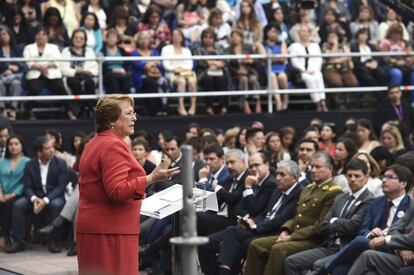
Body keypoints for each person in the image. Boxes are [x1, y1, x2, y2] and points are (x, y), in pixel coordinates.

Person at [76, 95, 179, 275]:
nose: (135, 118)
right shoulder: (113, 145)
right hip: (111, 232)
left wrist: (136, 192)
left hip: (97, 229)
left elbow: (102, 187)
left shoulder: (94, 142)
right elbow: (117, 190)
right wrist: (152, 178)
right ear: (111, 120)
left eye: (134, 112)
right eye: (129, 113)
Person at [244, 151, 343, 275]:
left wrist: (292, 237)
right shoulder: (308, 188)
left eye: (318, 167)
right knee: (256, 244)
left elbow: (320, 226)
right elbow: (296, 216)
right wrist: (285, 230)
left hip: (312, 240)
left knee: (278, 249)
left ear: (330, 169)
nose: (313, 170)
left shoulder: (333, 192)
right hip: (293, 234)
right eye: (312, 167)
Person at [198, 160, 304, 275]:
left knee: (228, 235)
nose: (277, 178)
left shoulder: (266, 184)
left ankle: (224, 272)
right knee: (206, 242)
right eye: (277, 174)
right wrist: (249, 220)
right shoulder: (230, 179)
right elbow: (247, 210)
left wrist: (254, 225)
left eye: (282, 175)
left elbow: (279, 218)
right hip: (242, 221)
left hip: (258, 227)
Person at [312, 164, 412, 275]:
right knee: (338, 270)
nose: (384, 180)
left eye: (390, 177)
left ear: (403, 183)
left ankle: (323, 269)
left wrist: (390, 241)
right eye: (384, 176)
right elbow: (363, 229)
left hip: (392, 252)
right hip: (372, 246)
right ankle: (326, 268)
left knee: (360, 243)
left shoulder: (410, 206)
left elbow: (408, 236)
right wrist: (370, 233)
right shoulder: (376, 202)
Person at [284, 159, 375, 275]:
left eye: (357, 176)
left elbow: (352, 226)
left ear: (366, 177)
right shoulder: (340, 198)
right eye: (349, 175)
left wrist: (334, 221)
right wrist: (336, 222)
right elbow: (324, 225)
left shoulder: (369, 200)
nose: (352, 179)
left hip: (346, 249)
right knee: (291, 262)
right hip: (329, 245)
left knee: (318, 266)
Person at [5, 136, 68, 253]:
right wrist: (34, 199)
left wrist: (45, 200)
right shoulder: (30, 164)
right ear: (39, 152)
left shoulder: (60, 163)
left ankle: (53, 241)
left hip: (53, 197)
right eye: (47, 148)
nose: (52, 150)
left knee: (56, 204)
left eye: (52, 147)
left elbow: (61, 187)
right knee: (18, 205)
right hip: (35, 197)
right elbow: (27, 187)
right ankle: (19, 242)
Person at [23, 27, 74, 120]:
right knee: (34, 89)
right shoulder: (28, 48)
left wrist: (45, 66)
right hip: (35, 74)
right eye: (38, 34)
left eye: (43, 35)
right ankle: (28, 111)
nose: (41, 36)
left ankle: (70, 111)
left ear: (47, 37)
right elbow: (28, 62)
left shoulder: (54, 47)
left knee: (60, 88)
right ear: (35, 36)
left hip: (52, 74)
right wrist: (41, 68)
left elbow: (58, 61)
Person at [0, 136, 30, 251]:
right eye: (10, 144)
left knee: (9, 205)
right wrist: (1, 193)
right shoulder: (2, 162)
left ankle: (4, 236)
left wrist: (13, 194)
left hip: (19, 194)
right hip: (2, 193)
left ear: (22, 146)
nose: (13, 146)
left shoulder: (28, 162)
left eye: (16, 144)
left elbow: (25, 182)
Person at [61, 29, 99, 119]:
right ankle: (81, 107)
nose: (78, 40)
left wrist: (88, 72)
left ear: (85, 40)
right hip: (72, 76)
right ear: (72, 39)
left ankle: (89, 107)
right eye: (76, 38)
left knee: (89, 82)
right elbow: (63, 68)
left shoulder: (89, 51)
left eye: (81, 38)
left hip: (86, 76)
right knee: (74, 83)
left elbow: (95, 68)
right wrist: (77, 71)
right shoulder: (66, 51)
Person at [288, 24, 327, 112]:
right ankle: (317, 103)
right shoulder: (294, 46)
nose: (304, 33)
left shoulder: (315, 46)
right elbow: (295, 62)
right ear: (299, 33)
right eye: (302, 31)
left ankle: (323, 101)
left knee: (318, 76)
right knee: (310, 79)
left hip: (314, 70)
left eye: (306, 31)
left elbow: (319, 60)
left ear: (309, 33)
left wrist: (315, 69)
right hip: (302, 72)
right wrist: (304, 70)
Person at [161, 28, 197, 116]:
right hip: (172, 73)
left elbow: (190, 65)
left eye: (178, 35)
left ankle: (193, 106)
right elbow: (165, 64)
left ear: (182, 37)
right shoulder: (166, 49)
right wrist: (175, 69)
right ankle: (180, 105)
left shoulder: (186, 50)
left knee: (192, 81)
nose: (176, 37)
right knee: (181, 81)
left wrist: (182, 68)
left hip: (186, 72)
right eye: (174, 35)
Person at [192, 27, 229, 115]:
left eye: (210, 37)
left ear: (214, 38)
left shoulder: (220, 47)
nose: (208, 39)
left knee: (222, 78)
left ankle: (223, 106)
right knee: (208, 79)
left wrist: (221, 64)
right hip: (204, 71)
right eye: (205, 37)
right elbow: (200, 61)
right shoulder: (198, 49)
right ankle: (209, 106)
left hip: (219, 70)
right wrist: (211, 63)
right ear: (202, 38)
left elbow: (226, 59)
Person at [0, 26, 26, 121]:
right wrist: (7, 68)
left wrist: (15, 68)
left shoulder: (17, 49)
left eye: (4, 34)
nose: (2, 37)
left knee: (16, 83)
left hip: (15, 76)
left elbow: (24, 66)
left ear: (9, 35)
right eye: (0, 35)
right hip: (1, 75)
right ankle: (1, 110)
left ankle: (13, 109)